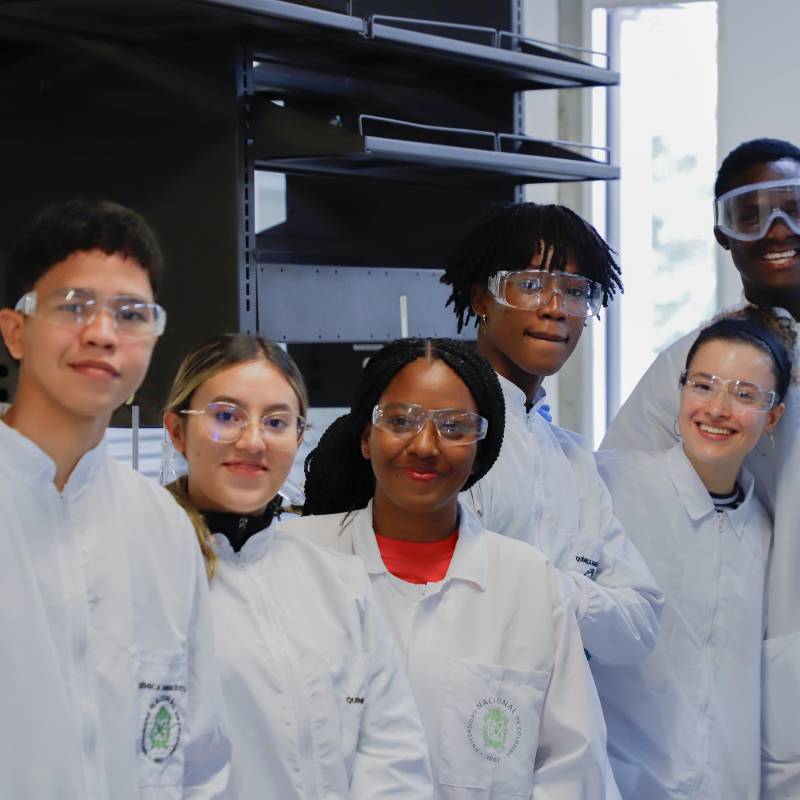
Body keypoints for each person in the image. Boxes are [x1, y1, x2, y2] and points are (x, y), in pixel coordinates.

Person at [282, 337, 621, 799]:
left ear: (482, 450)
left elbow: (573, 768)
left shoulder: (527, 581)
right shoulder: (293, 560)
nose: (425, 445)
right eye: (400, 421)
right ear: (366, 437)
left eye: (455, 426)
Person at [0, 199, 231, 798]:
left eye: (131, 313)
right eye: (73, 307)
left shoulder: (160, 526)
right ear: (15, 330)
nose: (102, 333)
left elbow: (199, 758)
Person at [601, 138, 800, 796]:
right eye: (752, 215)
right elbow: (621, 505)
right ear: (723, 232)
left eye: (794, 209)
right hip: (752, 642)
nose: (778, 231)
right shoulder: (693, 361)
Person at [162, 333, 433, 800]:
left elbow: (394, 757)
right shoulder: (146, 575)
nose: (253, 441)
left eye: (275, 422)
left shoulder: (338, 583)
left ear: (298, 436)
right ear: (175, 431)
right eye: (226, 416)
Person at [440, 202, 663, 665]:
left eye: (576, 291)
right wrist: (578, 592)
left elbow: (639, 626)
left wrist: (543, 589)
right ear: (483, 299)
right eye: (531, 285)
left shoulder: (572, 458)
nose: (555, 310)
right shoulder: (443, 429)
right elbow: (451, 603)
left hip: (558, 721)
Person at [593, 307, 792, 799]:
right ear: (679, 391)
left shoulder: (765, 532)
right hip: (621, 783)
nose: (718, 408)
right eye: (702, 385)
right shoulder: (608, 487)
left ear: (773, 417)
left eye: (744, 395)